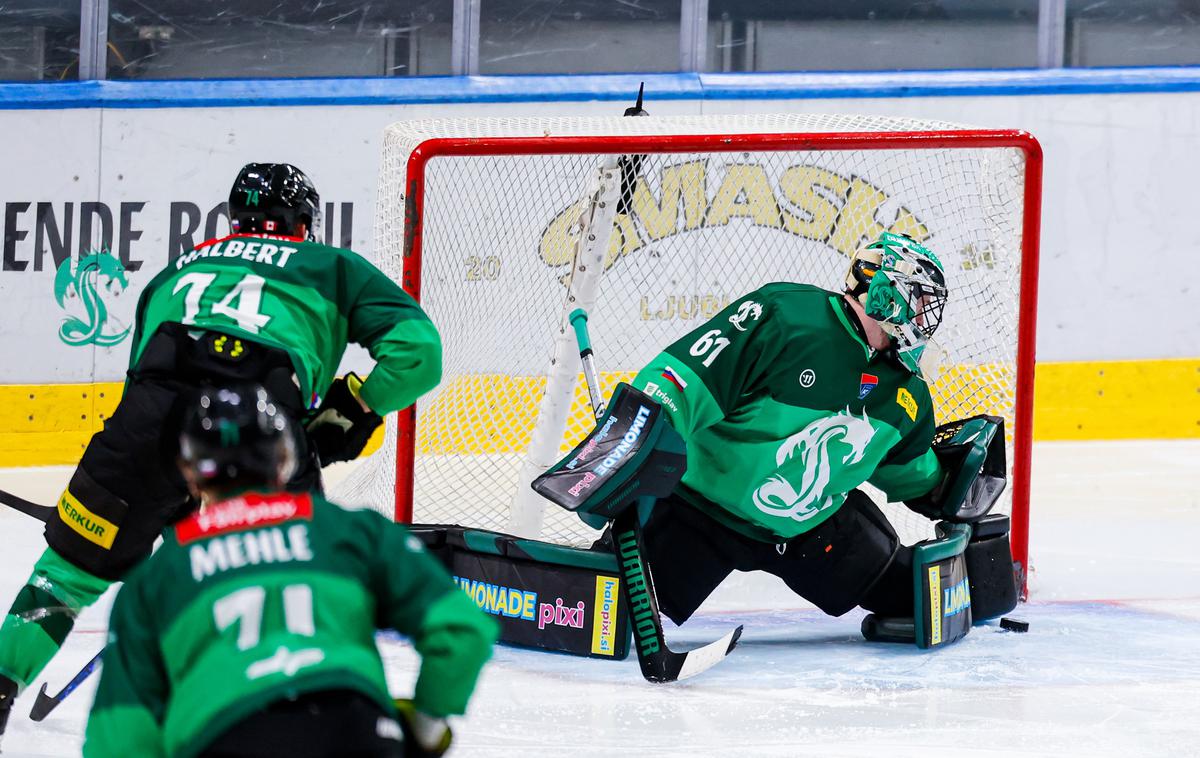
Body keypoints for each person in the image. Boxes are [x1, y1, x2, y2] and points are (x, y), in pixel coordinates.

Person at [0, 163, 442, 742]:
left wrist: (162, 501)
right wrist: (356, 405)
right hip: (261, 428)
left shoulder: (174, 272)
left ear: (235, 220)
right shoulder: (334, 267)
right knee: (290, 587)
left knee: (63, 576)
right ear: (304, 223)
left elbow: (145, 383)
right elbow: (419, 354)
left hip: (147, 426)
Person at [83, 383, 496, 758]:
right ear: (284, 460)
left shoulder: (157, 577)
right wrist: (423, 728)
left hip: (221, 736)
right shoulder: (349, 530)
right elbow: (462, 631)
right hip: (355, 732)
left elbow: (118, 737)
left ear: (190, 473)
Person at [629, 231, 951, 626]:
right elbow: (681, 381)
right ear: (885, 291)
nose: (923, 317)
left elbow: (909, 468)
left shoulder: (907, 389)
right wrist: (630, 441)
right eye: (917, 300)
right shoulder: (785, 317)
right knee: (609, 606)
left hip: (811, 532)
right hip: (700, 513)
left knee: (924, 600)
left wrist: (949, 484)